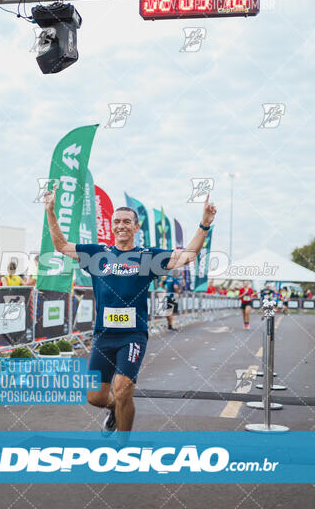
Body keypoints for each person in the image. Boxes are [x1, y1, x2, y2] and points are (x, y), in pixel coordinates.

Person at [43, 185, 217, 442]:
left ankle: (123, 447)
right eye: (116, 221)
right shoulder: (96, 254)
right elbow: (60, 245)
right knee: (96, 397)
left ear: (136, 228)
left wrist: (203, 225)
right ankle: (114, 410)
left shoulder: (147, 256)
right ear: (111, 227)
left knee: (123, 390)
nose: (121, 225)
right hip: (103, 336)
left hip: (132, 336)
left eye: (127, 221)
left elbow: (188, 256)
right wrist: (50, 211)